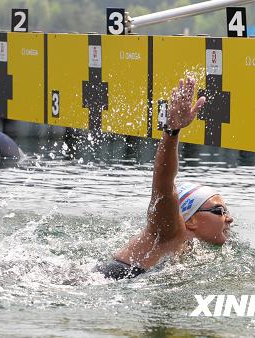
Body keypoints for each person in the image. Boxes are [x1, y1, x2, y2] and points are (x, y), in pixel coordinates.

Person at [97, 77, 234, 280]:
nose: (229, 218)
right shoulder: (169, 230)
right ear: (192, 219)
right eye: (218, 211)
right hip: (102, 282)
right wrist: (172, 131)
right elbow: (163, 184)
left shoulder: (187, 244)